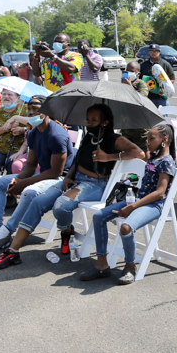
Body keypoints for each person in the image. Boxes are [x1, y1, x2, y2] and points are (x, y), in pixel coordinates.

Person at [0, 96, 70, 262]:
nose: (31, 112)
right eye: (29, 109)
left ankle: (7, 231)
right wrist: (18, 179)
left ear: (47, 112)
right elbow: (31, 165)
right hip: (44, 175)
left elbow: (56, 172)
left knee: (29, 191)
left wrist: (24, 183)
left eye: (36, 109)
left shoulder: (56, 135)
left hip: (60, 179)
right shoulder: (33, 133)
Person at [81, 123, 177, 285]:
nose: (147, 142)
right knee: (98, 216)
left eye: (151, 138)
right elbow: (139, 167)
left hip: (154, 205)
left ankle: (130, 266)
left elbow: (160, 192)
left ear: (164, 139)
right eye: (147, 138)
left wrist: (133, 206)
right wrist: (115, 168)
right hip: (138, 200)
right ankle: (102, 264)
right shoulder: (152, 157)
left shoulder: (166, 161)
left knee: (126, 227)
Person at [51, 104, 144, 256]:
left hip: (97, 184)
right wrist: (68, 176)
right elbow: (78, 160)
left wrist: (109, 157)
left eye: (94, 120)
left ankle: (66, 231)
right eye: (88, 119)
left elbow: (139, 153)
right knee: (42, 198)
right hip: (76, 179)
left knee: (61, 206)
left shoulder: (114, 139)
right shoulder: (89, 137)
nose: (89, 123)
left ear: (105, 122)